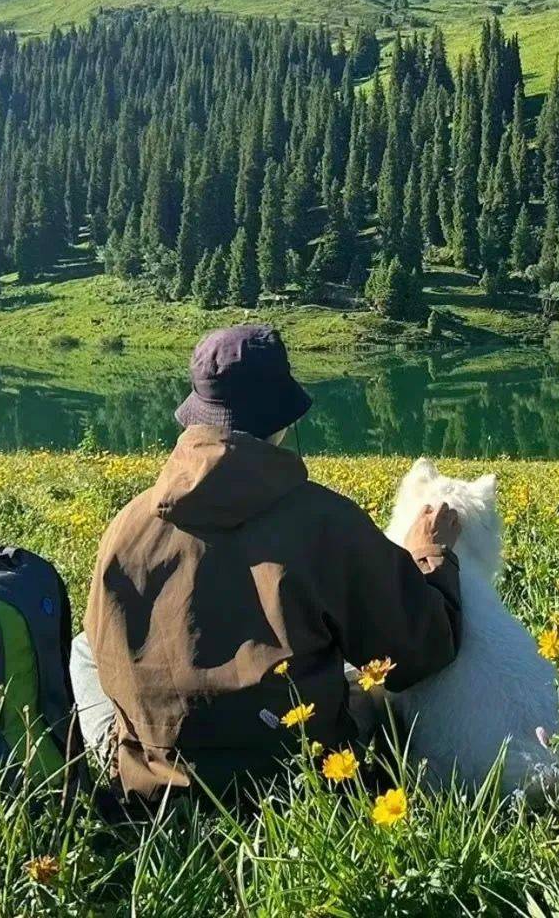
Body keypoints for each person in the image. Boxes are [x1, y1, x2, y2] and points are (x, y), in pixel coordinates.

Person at [72, 325, 462, 804]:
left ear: (196, 417)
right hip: (292, 783)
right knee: (363, 686)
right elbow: (420, 652)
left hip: (153, 787)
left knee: (83, 649)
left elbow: (112, 654)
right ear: (281, 421)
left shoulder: (126, 525)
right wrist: (429, 554)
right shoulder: (326, 521)